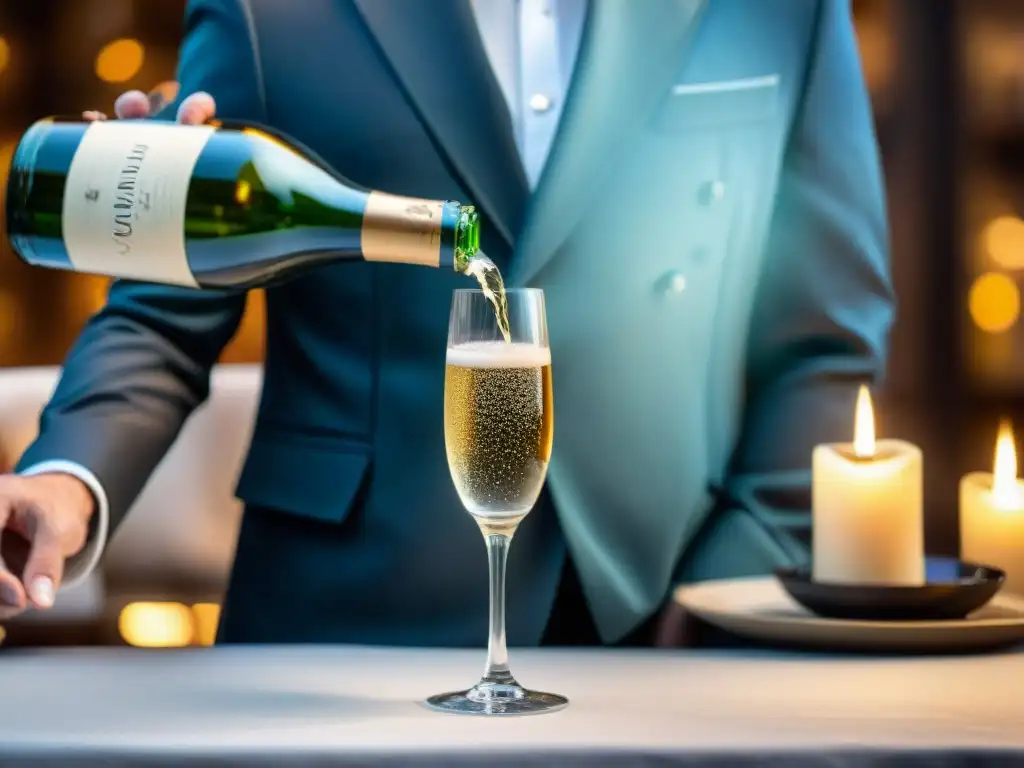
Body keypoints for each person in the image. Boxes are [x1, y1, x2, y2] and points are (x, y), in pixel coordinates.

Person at [0, 0, 893, 646]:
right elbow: (164, 311)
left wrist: (720, 600)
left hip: (662, 612)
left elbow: (822, 344)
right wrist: (67, 483)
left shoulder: (789, 8)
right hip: (338, 629)